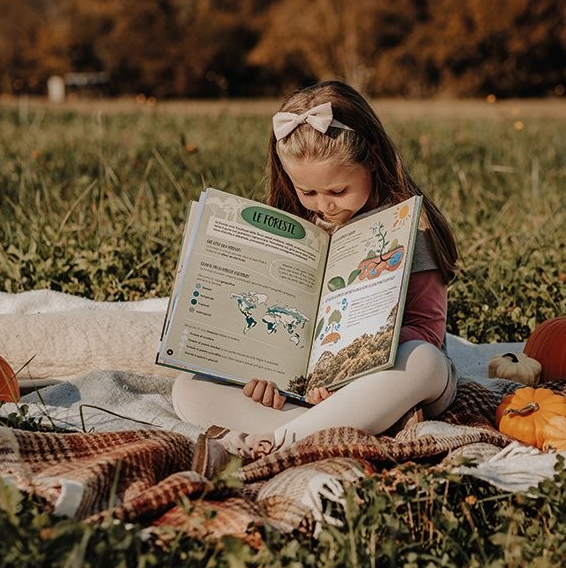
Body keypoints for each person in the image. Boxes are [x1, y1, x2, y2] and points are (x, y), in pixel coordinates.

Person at [172, 80, 460, 475]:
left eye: (338, 190)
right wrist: (268, 379)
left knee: (424, 361)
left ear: (372, 160)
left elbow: (426, 329)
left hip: (389, 382)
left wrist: (349, 374)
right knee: (189, 386)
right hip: (307, 398)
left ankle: (279, 444)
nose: (324, 205)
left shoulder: (411, 227)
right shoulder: (301, 228)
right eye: (307, 191)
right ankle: (320, 431)